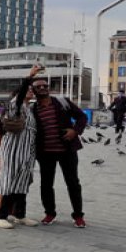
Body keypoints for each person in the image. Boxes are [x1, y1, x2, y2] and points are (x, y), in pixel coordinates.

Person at [30, 76, 89, 228]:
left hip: (67, 150)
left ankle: (78, 216)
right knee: (46, 184)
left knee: (73, 183)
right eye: (39, 87)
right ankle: (50, 213)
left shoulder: (62, 102)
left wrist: (75, 131)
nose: (43, 88)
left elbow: (82, 117)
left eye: (45, 86)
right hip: (45, 153)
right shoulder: (32, 109)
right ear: (34, 91)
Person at [0, 65, 42, 229]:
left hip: (27, 151)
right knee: (8, 181)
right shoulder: (15, 105)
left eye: (31, 90)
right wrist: (30, 77)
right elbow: (21, 95)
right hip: (13, 150)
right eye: (28, 89)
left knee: (22, 182)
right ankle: (1, 216)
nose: (31, 91)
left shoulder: (28, 109)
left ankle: (19, 215)